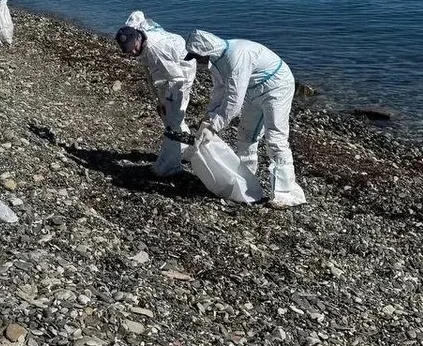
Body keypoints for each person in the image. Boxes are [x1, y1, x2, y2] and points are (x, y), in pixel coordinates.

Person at [185, 29, 306, 208]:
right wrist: (208, 118)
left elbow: (233, 101)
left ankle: (286, 193)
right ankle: (246, 182)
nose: (197, 61)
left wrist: (214, 126)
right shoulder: (217, 61)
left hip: (277, 87)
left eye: (197, 56)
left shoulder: (236, 57)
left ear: (206, 51)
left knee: (275, 138)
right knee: (246, 135)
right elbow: (220, 92)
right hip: (253, 90)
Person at [115, 11, 196, 177]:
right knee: (167, 114)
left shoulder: (156, 50)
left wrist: (166, 102)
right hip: (165, 70)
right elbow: (138, 14)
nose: (131, 53)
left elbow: (176, 79)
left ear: (138, 39)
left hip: (182, 70)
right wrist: (160, 101)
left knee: (172, 118)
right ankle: (186, 149)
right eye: (128, 51)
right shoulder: (136, 31)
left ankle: (171, 166)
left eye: (132, 49)